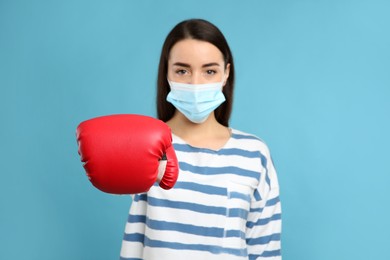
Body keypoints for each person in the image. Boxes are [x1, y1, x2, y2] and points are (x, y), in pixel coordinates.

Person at [120, 18, 282, 260]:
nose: (195, 83)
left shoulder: (253, 154)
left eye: (209, 71)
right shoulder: (147, 146)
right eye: (182, 70)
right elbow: (134, 240)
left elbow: (265, 249)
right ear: (167, 72)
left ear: (226, 73)